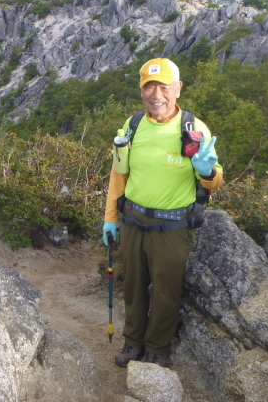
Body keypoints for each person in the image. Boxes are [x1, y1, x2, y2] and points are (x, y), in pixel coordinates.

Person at [102, 58, 223, 368]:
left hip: (173, 227)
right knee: (133, 287)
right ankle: (133, 342)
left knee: (166, 291)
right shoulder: (133, 125)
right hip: (132, 221)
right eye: (149, 87)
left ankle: (158, 347)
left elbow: (215, 179)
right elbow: (119, 175)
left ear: (178, 89)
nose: (156, 94)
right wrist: (110, 219)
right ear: (142, 91)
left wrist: (207, 171)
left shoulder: (193, 128)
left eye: (164, 86)